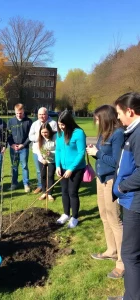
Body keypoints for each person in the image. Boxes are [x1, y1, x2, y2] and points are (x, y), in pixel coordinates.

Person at [86, 105, 125, 279]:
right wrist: (95, 152)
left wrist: (98, 153)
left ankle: (122, 262)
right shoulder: (104, 133)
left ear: (105, 117)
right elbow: (102, 155)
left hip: (111, 179)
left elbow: (117, 161)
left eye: (97, 118)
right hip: (100, 179)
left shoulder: (118, 134)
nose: (95, 121)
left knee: (115, 218)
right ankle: (111, 250)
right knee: (103, 214)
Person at [111, 92, 140, 300]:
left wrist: (122, 187)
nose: (118, 117)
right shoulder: (133, 132)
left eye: (119, 113)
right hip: (132, 200)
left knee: (130, 255)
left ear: (130, 111)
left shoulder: (138, 134)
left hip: (135, 204)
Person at [55, 110, 86, 228]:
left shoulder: (78, 133)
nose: (61, 127)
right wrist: (58, 165)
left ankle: (74, 217)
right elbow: (58, 150)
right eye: (59, 124)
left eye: (63, 124)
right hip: (63, 168)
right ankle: (66, 214)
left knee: (72, 192)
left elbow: (81, 153)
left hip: (76, 169)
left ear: (69, 122)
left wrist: (71, 169)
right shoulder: (60, 134)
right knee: (64, 191)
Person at [29, 107, 57, 194]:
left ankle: (49, 190)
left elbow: (55, 136)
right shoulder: (35, 124)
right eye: (40, 114)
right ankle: (41, 186)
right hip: (38, 150)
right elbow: (30, 136)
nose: (42, 116)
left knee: (50, 173)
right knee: (40, 171)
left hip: (51, 151)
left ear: (47, 114)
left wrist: (46, 137)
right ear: (37, 115)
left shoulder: (53, 123)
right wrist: (39, 137)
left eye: (44, 114)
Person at [7, 103, 33, 193]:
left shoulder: (28, 121)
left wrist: (23, 145)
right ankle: (14, 183)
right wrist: (12, 145)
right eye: (17, 113)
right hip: (13, 148)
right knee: (14, 166)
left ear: (23, 111)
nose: (19, 115)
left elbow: (31, 136)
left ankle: (26, 184)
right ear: (15, 112)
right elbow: (8, 135)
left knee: (24, 166)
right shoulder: (10, 122)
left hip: (24, 148)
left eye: (20, 113)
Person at [37, 122, 57, 201]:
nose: (44, 134)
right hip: (42, 160)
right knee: (43, 176)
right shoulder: (39, 138)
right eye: (42, 132)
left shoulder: (55, 137)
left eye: (46, 132)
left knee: (50, 175)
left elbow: (58, 149)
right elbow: (37, 150)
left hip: (52, 160)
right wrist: (42, 159)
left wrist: (51, 153)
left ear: (49, 131)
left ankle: (49, 194)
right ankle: (44, 192)